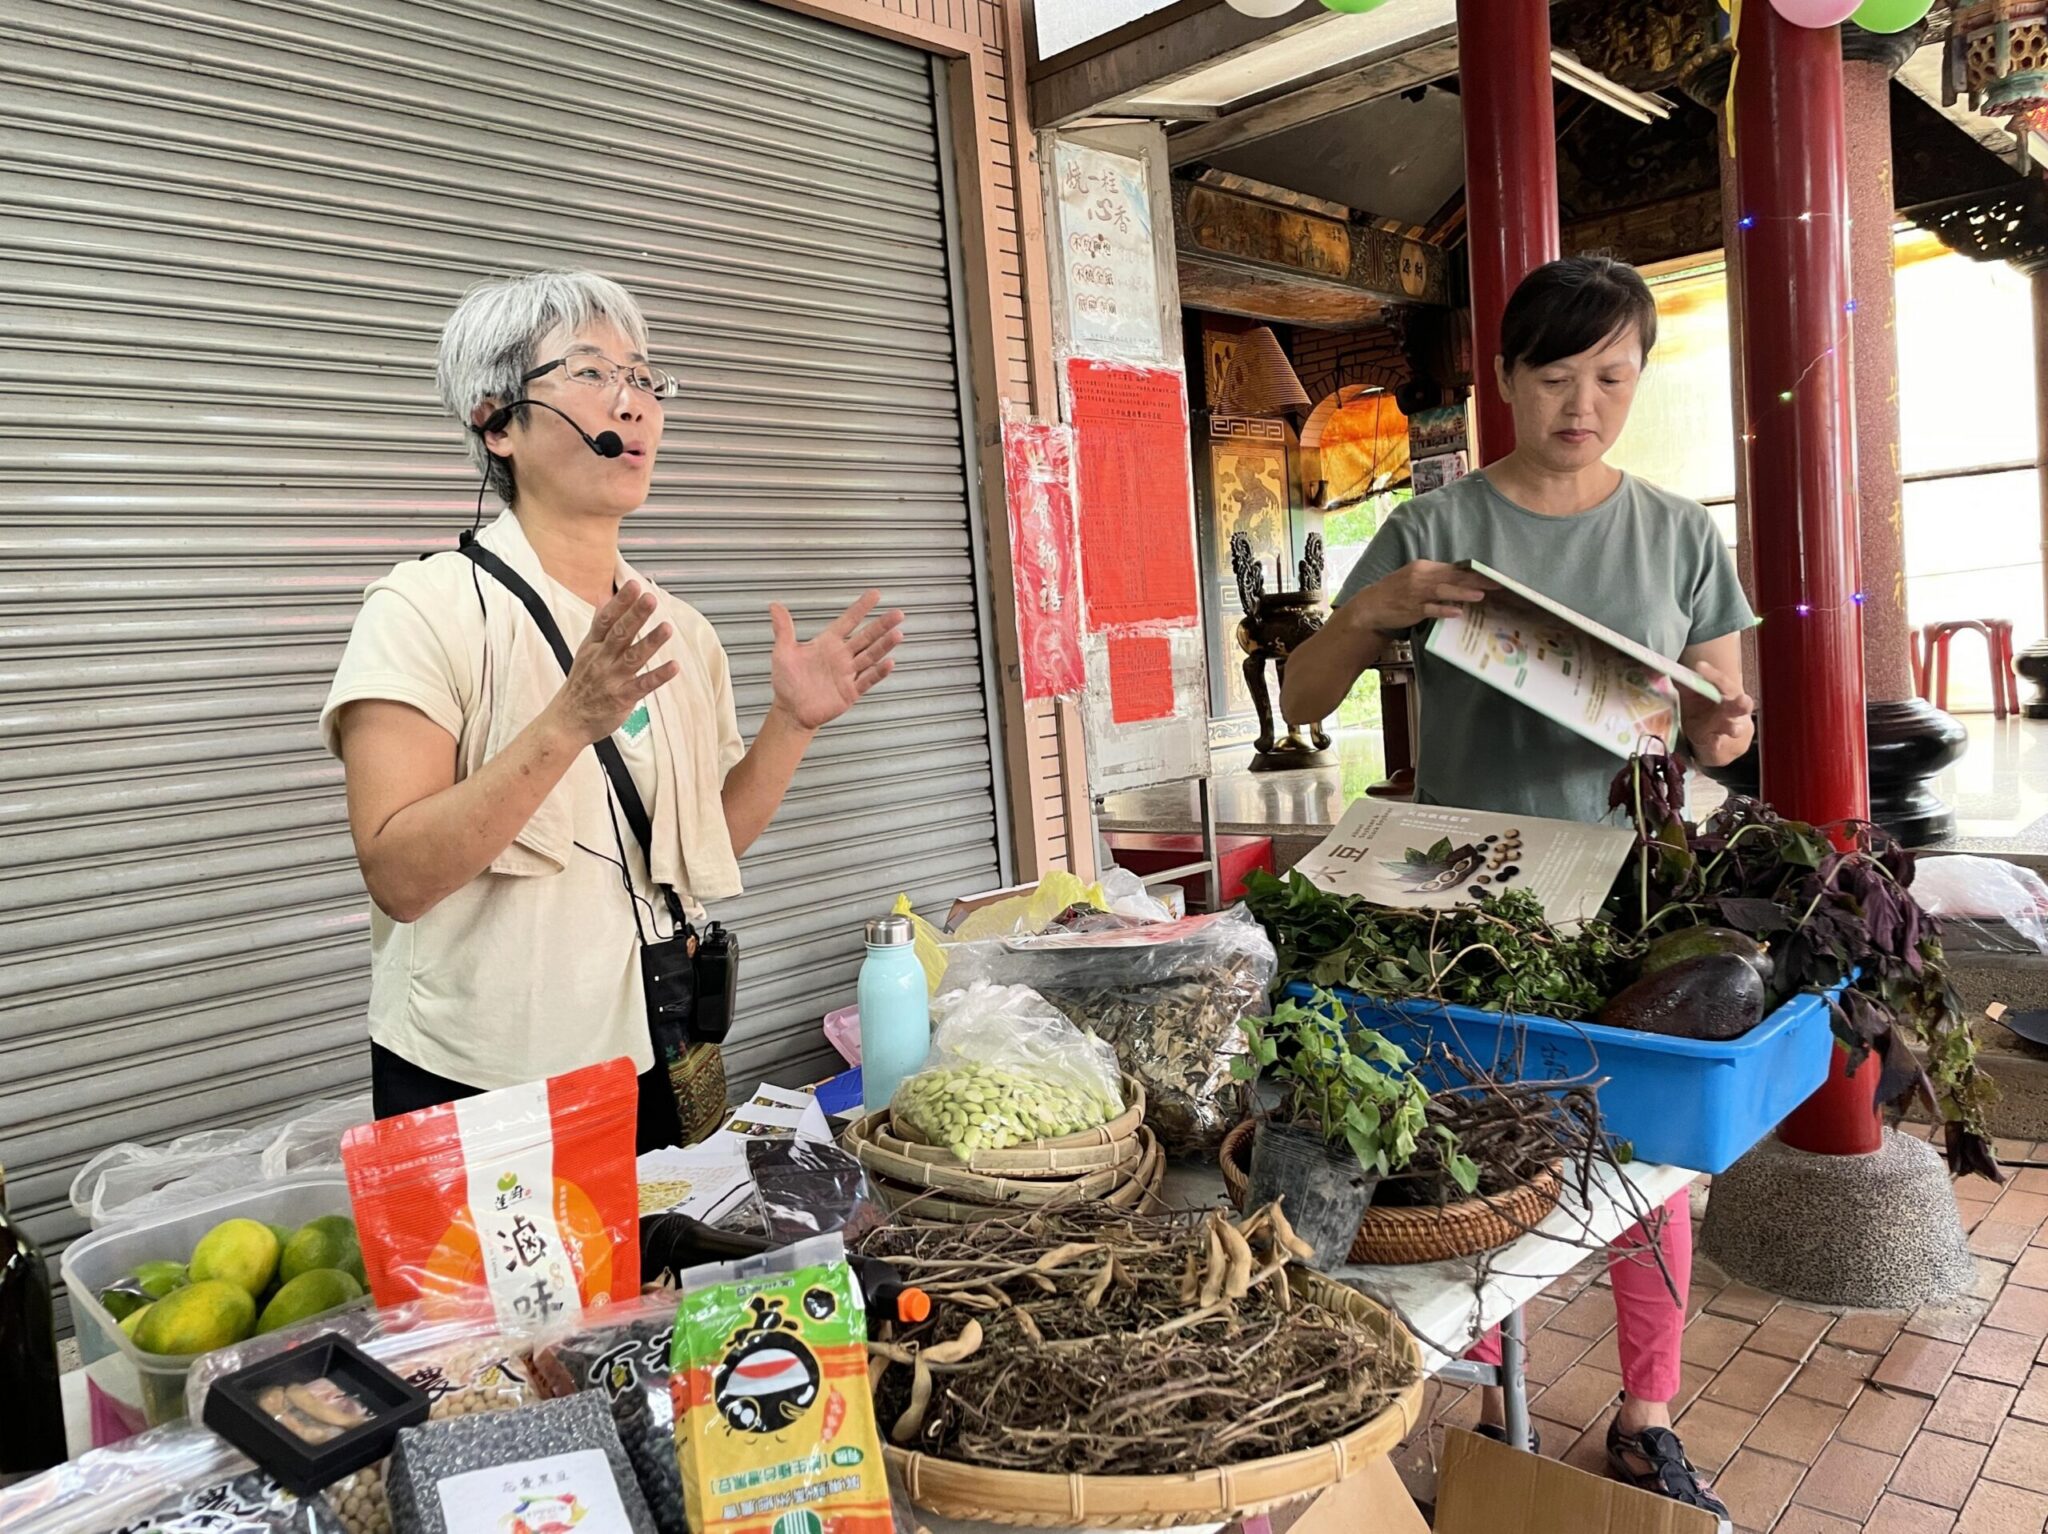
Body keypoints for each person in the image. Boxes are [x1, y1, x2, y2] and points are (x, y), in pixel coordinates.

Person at [1283, 256, 1755, 1516]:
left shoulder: (1675, 530)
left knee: (1647, 1158)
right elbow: (1302, 697)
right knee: (1477, 1152)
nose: (1582, 402)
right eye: (1554, 375)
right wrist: (1370, 609)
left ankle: (1644, 1415)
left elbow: (1722, 714)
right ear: (1503, 379)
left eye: (1610, 376)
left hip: (1629, 899)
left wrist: (1719, 732)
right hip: (1463, 898)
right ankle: (1492, 1386)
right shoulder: (1439, 527)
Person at [321, 270, 904, 1152]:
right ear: (496, 419)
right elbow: (399, 876)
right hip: (481, 1087)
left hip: (651, 1060)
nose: (632, 405)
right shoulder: (423, 609)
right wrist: (565, 723)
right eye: (592, 373)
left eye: (644, 378)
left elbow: (699, 844)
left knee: (651, 1290)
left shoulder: (680, 631)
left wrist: (793, 724)